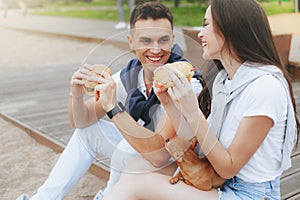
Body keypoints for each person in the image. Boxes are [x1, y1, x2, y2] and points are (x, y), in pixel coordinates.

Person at [101, 0, 300, 199]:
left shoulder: (265, 88)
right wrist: (170, 104)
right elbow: (197, 141)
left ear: (230, 29)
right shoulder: (225, 81)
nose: (200, 33)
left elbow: (228, 168)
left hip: (250, 194)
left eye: (206, 24)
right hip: (217, 178)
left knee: (141, 185)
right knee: (136, 166)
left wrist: (193, 112)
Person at [17, 2, 208, 200]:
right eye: (145, 40)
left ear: (172, 40)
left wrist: (113, 106)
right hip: (142, 156)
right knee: (89, 132)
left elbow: (160, 156)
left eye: (163, 40)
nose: (155, 49)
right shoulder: (131, 74)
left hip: (179, 166)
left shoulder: (185, 81)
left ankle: (109, 195)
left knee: (126, 146)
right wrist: (76, 94)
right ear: (131, 42)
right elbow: (81, 121)